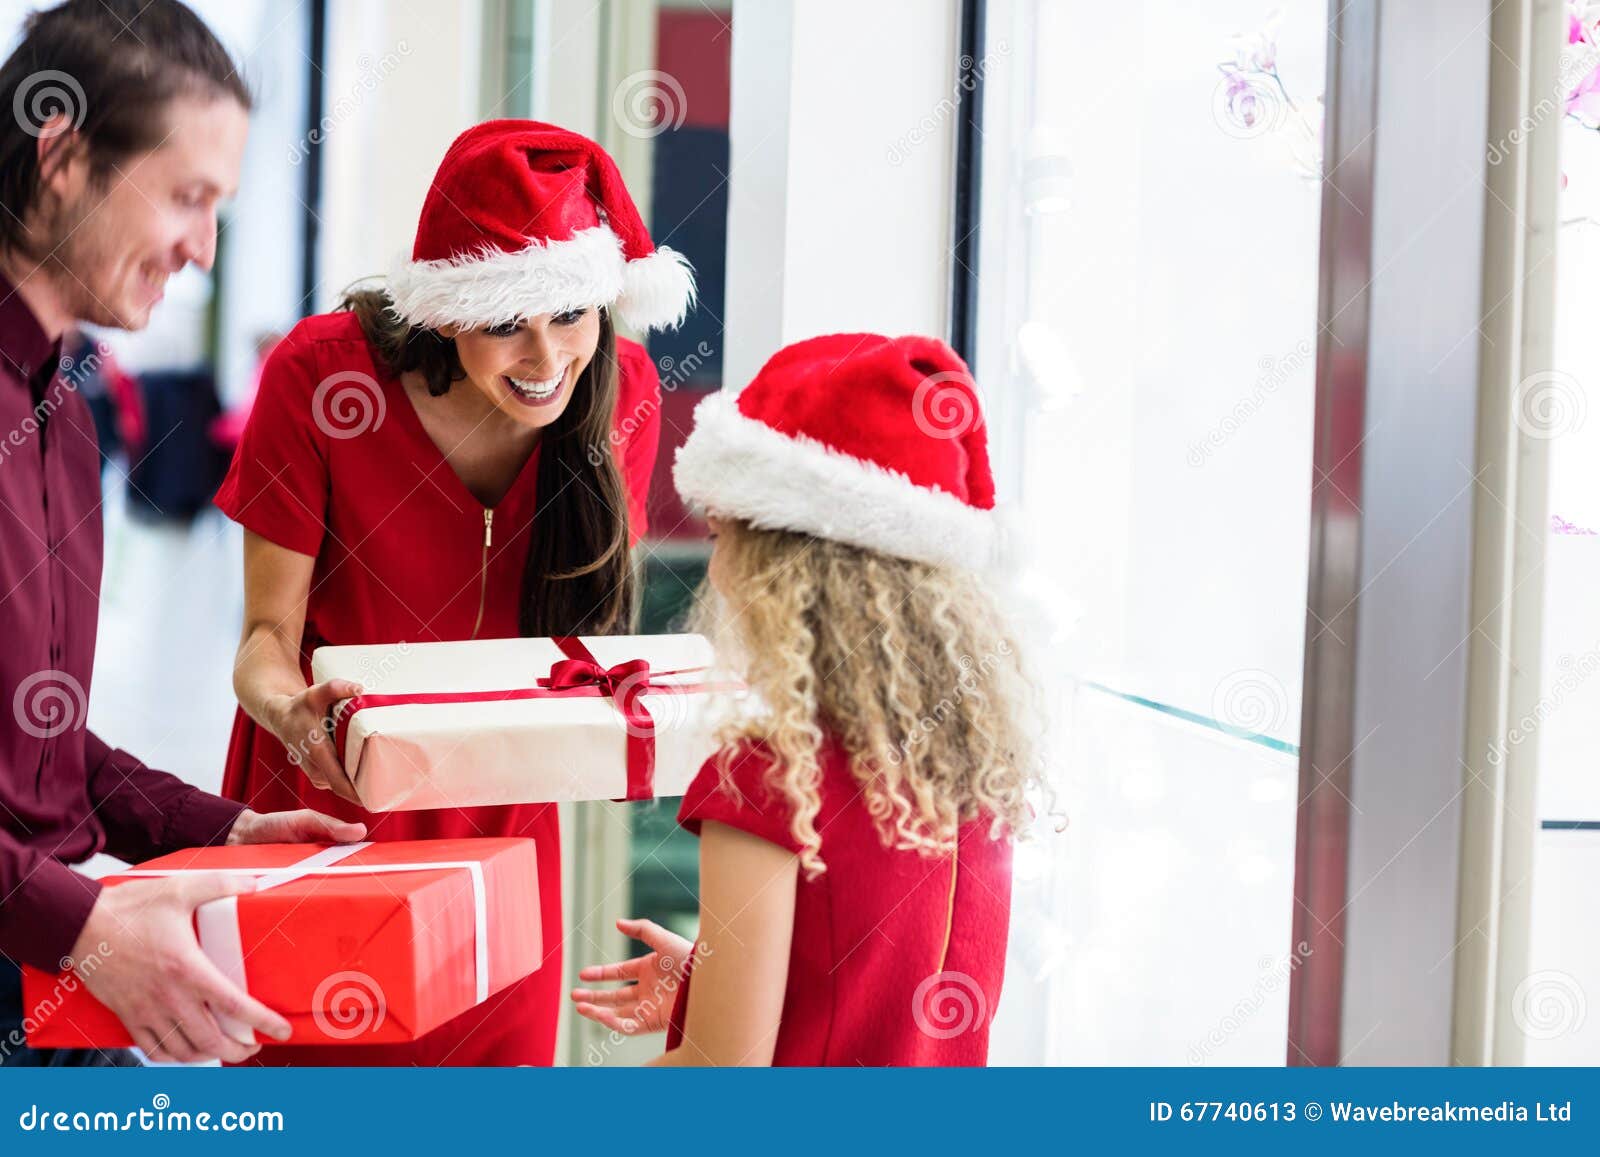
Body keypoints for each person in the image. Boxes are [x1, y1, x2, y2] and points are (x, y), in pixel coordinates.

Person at [216, 119, 694, 1066]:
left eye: (570, 315)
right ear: (445, 311)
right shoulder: (321, 378)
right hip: (323, 803)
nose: (546, 355)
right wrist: (294, 714)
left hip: (502, 836)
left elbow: (584, 650)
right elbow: (263, 639)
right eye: (506, 321)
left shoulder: (622, 392)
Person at [0, 0, 366, 1069]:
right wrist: (83, 923)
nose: (202, 250)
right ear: (62, 155)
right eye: (188, 198)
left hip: (51, 997)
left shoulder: (66, 416)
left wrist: (223, 826)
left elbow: (38, 755)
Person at [571, 334, 1047, 1065]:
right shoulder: (973, 757)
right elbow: (873, 988)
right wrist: (713, 983)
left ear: (779, 570)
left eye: (724, 535)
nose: (716, 571)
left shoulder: (771, 775)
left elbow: (720, 1078)